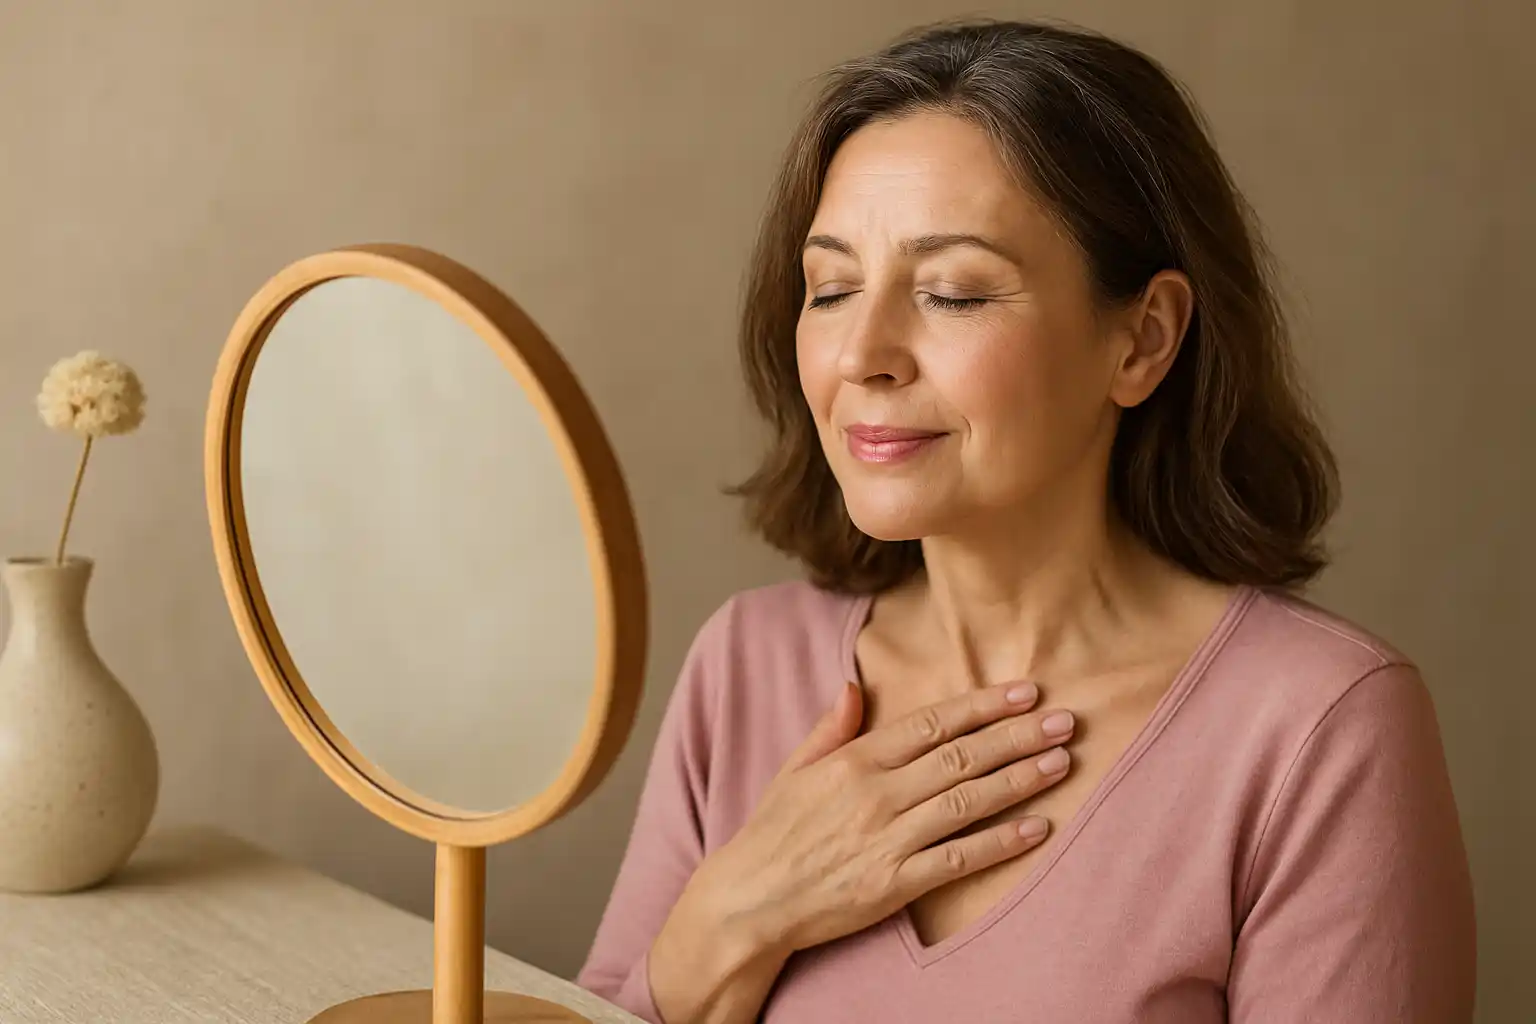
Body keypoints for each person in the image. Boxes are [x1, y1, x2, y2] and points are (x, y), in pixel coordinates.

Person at [577, 18, 1476, 1024]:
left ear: (1142, 340)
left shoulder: (1318, 726)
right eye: (830, 288)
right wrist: (733, 923)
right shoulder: (745, 666)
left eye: (952, 294)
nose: (863, 353)